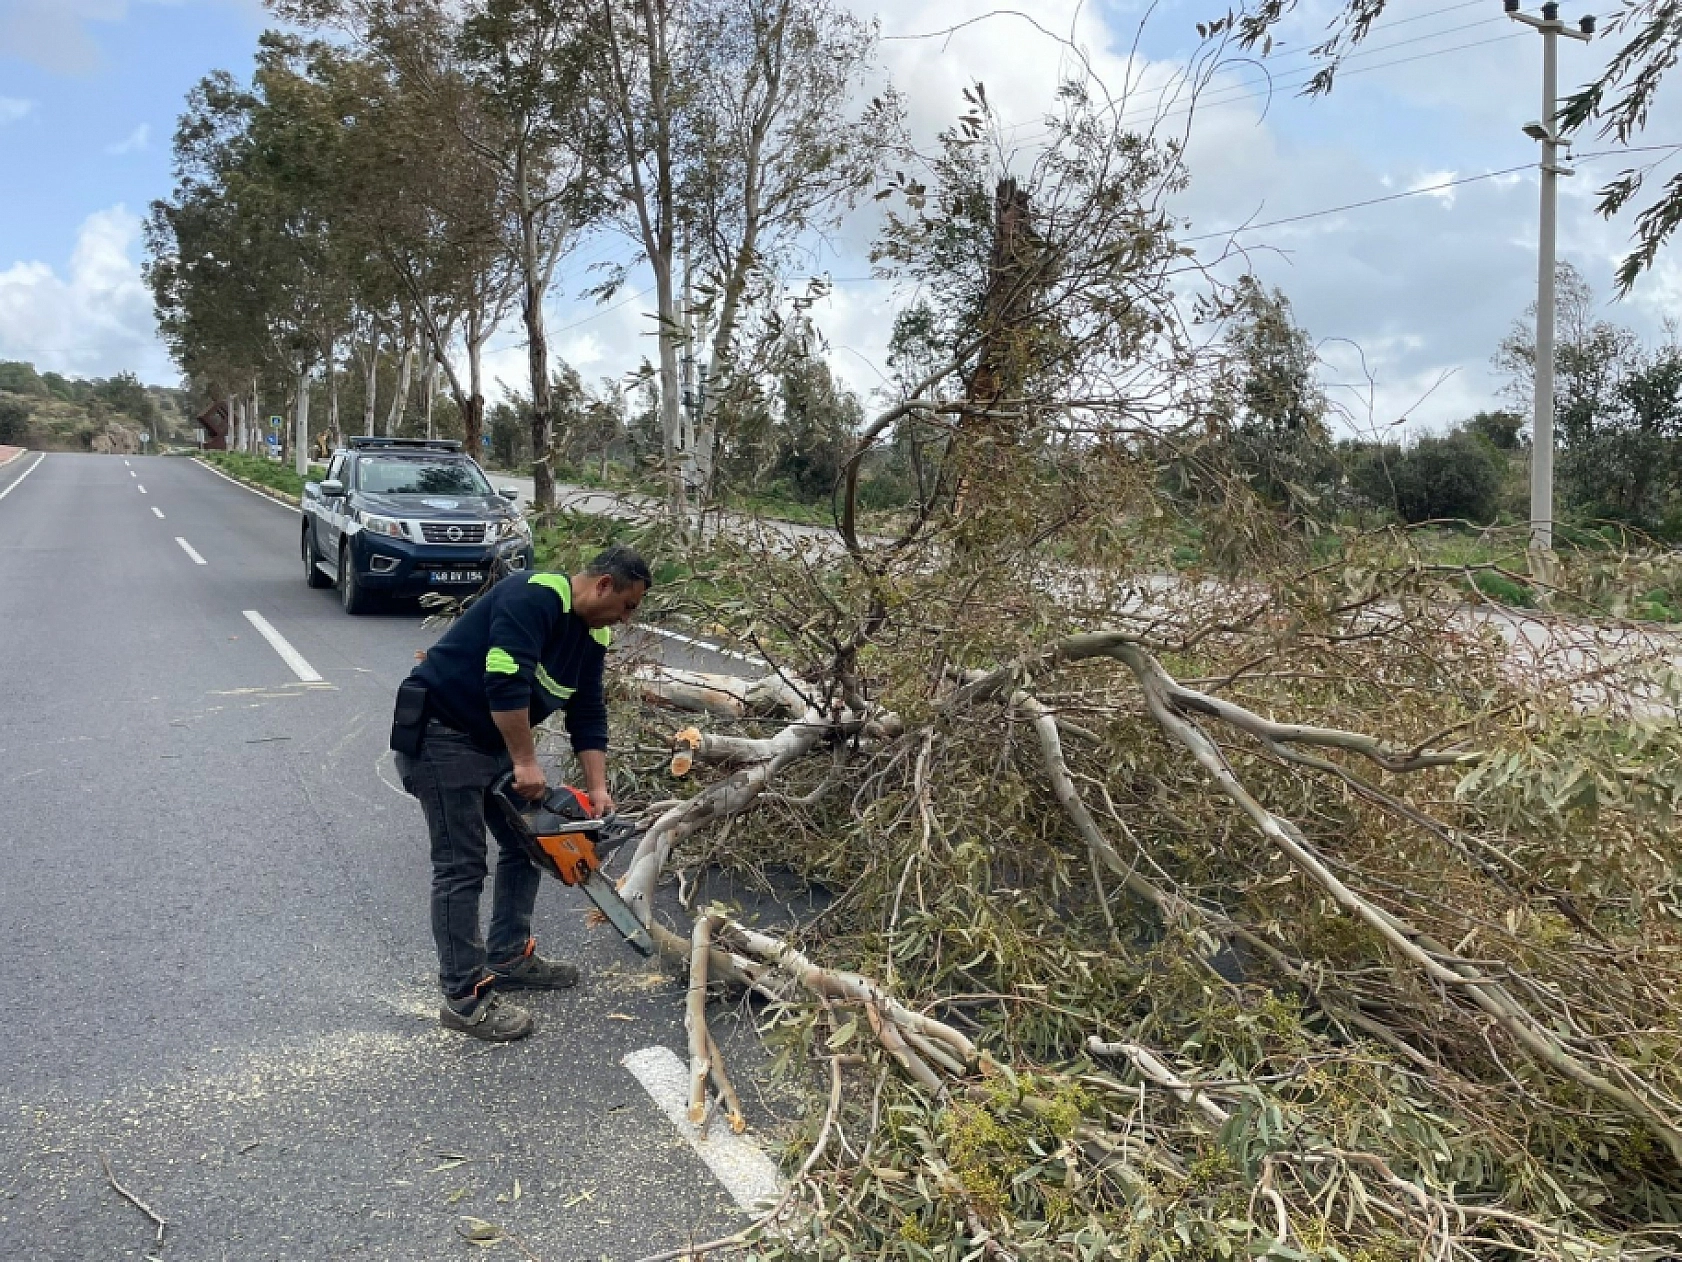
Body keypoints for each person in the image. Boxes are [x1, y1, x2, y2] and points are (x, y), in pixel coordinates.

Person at [392, 545, 651, 1042]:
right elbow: (505, 680)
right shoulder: (533, 596)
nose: (626, 618)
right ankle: (464, 999)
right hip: (441, 735)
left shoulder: (592, 633)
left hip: (493, 740)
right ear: (602, 585)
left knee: (524, 845)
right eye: (627, 605)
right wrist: (526, 762)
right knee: (461, 864)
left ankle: (509, 954)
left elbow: (588, 710)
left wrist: (597, 787)